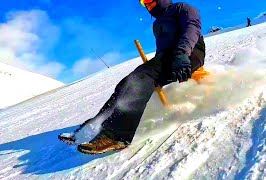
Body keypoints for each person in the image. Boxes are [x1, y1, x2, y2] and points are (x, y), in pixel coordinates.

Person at [58, 0, 206, 154]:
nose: (147, 6)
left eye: (149, 1)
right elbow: (162, 51)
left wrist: (182, 53)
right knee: (126, 83)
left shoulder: (182, 8)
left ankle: (117, 136)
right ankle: (95, 126)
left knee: (141, 79)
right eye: (143, 4)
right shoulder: (157, 24)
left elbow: (192, 29)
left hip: (190, 52)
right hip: (165, 58)